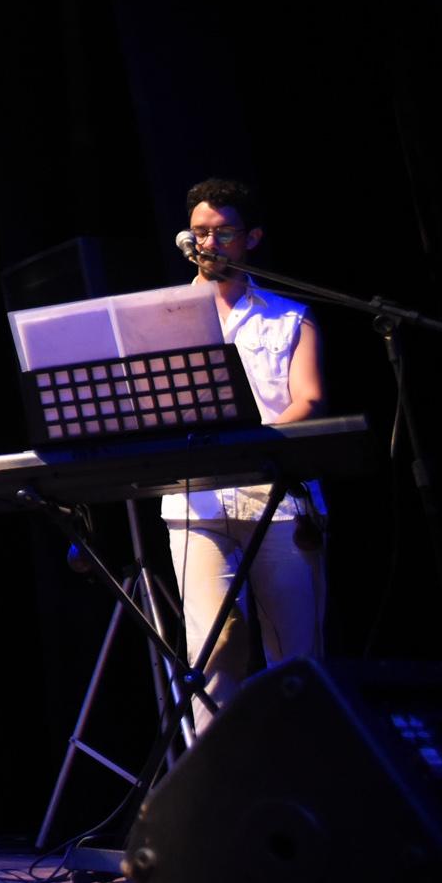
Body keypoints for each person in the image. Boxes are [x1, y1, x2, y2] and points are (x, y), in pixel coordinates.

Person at [167, 177, 325, 732]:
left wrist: (249, 444)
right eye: (199, 232)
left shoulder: (290, 314)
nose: (208, 243)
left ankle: (304, 770)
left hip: (277, 496)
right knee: (211, 654)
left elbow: (309, 400)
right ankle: (217, 781)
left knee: (296, 654)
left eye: (223, 233)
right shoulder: (164, 316)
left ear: (251, 237)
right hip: (196, 499)